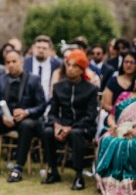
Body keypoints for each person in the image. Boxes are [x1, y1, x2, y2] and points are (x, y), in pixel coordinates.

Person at [0, 50, 46, 183]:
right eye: (8, 62)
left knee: (26, 126)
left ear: (21, 62)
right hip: (6, 119)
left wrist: (26, 112)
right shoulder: (0, 80)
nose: (11, 65)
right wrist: (2, 115)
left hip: (27, 120)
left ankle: (18, 168)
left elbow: (42, 105)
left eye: (14, 61)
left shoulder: (33, 79)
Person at [42, 49, 98, 191]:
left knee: (75, 134)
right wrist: (56, 125)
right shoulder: (58, 86)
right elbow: (52, 112)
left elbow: (90, 116)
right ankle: (53, 171)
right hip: (62, 124)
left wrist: (70, 128)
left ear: (82, 69)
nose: (70, 69)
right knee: (47, 131)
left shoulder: (91, 89)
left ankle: (79, 176)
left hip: (83, 127)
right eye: (68, 65)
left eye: (75, 66)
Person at [95, 52, 136, 194]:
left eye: (132, 62)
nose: (129, 65)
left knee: (130, 144)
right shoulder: (125, 96)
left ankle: (130, 181)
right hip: (118, 128)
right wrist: (113, 125)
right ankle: (107, 180)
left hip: (134, 133)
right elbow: (112, 114)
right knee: (107, 139)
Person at [23, 35, 62, 103]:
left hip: (50, 103)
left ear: (50, 50)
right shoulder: (25, 63)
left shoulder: (57, 64)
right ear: (33, 48)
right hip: (29, 104)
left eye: (44, 48)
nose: (41, 50)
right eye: (38, 47)